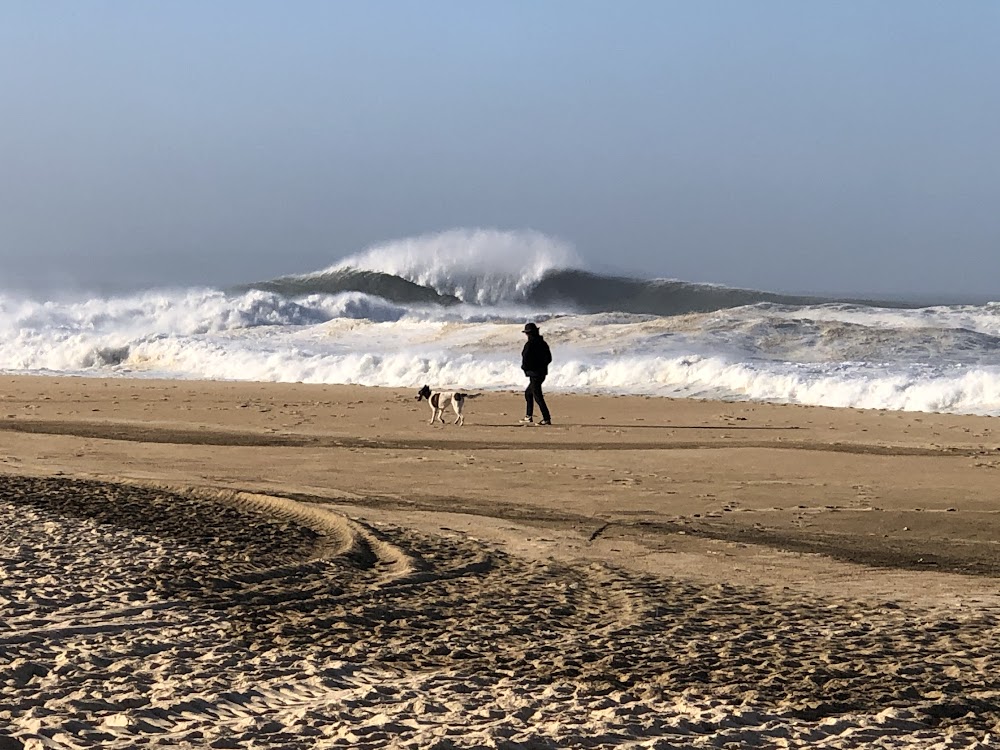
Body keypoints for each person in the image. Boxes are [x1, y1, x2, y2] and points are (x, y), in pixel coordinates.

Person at [520, 322, 552, 425]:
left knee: (537, 396)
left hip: (534, 373)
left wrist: (526, 368)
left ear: (528, 334)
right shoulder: (543, 343)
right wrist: (542, 366)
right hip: (542, 373)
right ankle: (528, 416)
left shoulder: (529, 344)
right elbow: (549, 358)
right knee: (528, 393)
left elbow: (525, 358)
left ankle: (546, 418)